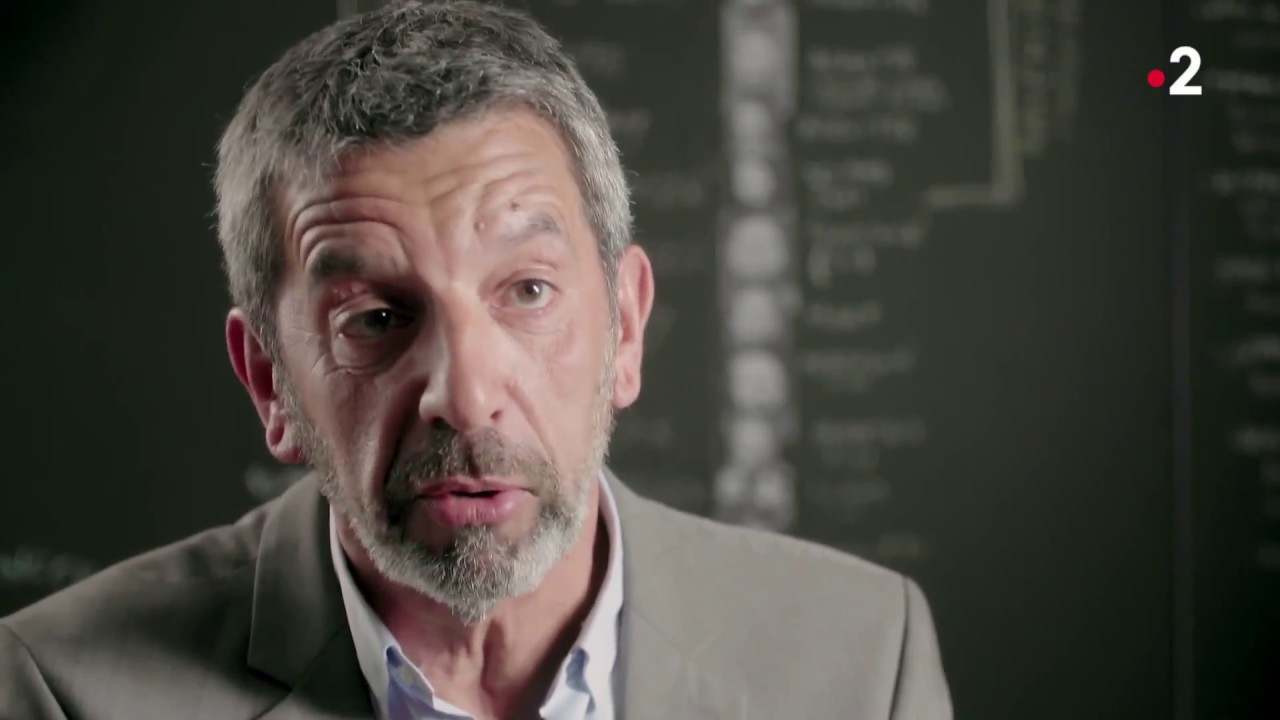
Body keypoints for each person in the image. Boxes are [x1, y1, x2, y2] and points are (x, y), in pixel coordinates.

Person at [0, 2, 952, 718]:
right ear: (269, 381)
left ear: (626, 326)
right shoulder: (65, 692)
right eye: (376, 317)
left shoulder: (866, 663)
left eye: (527, 290)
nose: (465, 396)